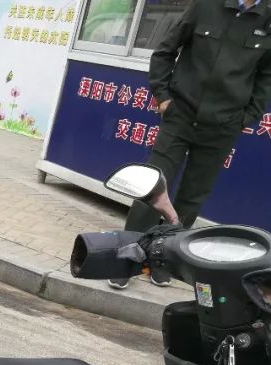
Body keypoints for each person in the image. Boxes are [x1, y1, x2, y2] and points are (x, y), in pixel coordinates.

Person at [111, 0, 271, 290]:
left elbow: (266, 78)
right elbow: (164, 51)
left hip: (222, 127)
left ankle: (161, 262)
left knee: (190, 199)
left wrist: (246, 118)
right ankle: (127, 258)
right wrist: (163, 97)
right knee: (152, 185)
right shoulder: (205, 6)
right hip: (180, 116)